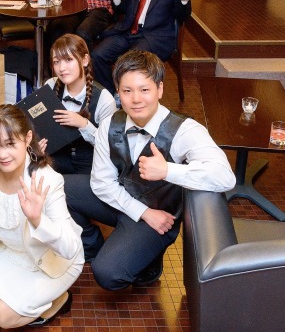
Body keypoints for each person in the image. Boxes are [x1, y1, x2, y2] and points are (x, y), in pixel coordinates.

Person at [64, 50, 235, 290]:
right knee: (58, 187)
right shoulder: (109, 124)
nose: (136, 99)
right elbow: (102, 183)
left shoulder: (185, 130)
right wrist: (142, 211)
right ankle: (92, 247)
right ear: (118, 92)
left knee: (108, 274)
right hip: (126, 203)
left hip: (159, 217)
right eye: (127, 91)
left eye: (144, 90)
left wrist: (168, 171)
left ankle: (147, 260)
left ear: (160, 89)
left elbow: (225, 177)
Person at [0, 104, 83, 328]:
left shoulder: (48, 179)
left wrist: (38, 220)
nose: (2, 154)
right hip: (12, 251)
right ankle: (28, 297)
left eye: (10, 144)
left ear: (27, 139)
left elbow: (70, 249)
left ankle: (58, 300)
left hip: (52, 261)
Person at [41, 35, 117, 175]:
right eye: (56, 62)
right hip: (54, 161)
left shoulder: (104, 99)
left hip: (89, 167)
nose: (61, 68)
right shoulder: (50, 85)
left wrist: (84, 124)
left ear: (85, 60)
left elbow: (111, 148)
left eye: (68, 60)